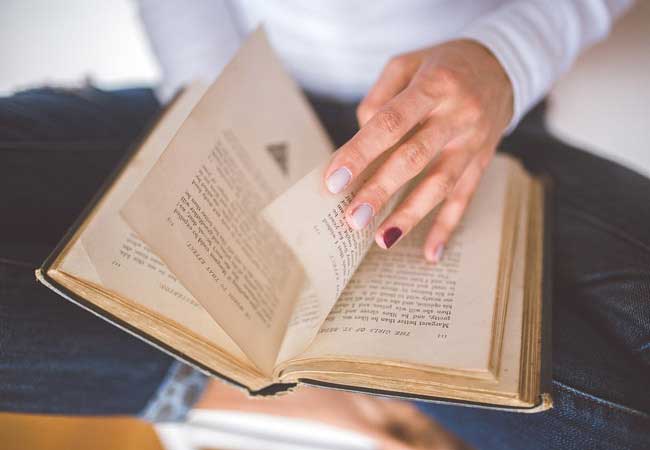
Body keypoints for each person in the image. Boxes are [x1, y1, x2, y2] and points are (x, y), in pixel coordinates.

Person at [1, 1, 648, 448]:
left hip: (467, 125)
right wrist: (221, 121)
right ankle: (243, 388)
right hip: (233, 99)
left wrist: (504, 59)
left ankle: (361, 382)